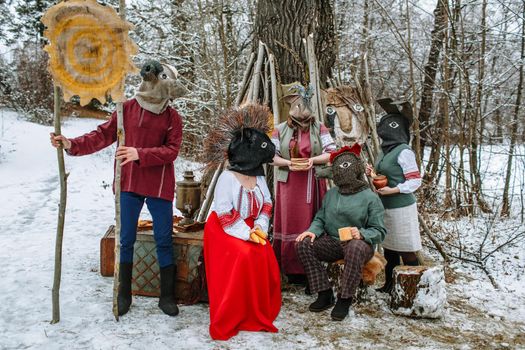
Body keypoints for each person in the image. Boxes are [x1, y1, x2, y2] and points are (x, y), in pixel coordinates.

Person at [50, 60, 183, 316]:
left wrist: (138, 153)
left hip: (159, 185)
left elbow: (171, 151)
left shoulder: (172, 117)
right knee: (125, 240)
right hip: (129, 183)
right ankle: (124, 295)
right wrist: (70, 144)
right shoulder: (126, 110)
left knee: (164, 239)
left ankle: (167, 296)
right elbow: (101, 135)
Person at [203, 104, 281, 341]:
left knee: (264, 251)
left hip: (250, 225)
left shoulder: (258, 177)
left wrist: (260, 227)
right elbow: (225, 212)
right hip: (223, 229)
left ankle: (256, 308)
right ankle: (234, 311)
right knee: (245, 255)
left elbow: (266, 204)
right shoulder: (227, 178)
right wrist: (246, 233)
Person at [296, 144, 386, 321]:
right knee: (303, 244)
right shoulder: (331, 194)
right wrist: (312, 231)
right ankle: (324, 292)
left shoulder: (370, 198)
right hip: (333, 242)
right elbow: (320, 218)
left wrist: (361, 233)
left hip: (360, 246)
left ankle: (344, 299)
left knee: (354, 247)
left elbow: (379, 231)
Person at [271, 84, 336, 286]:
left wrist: (313, 161)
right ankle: (290, 270)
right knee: (290, 221)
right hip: (289, 184)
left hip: (312, 182)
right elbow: (271, 157)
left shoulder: (320, 128)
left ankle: (310, 268)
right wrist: (289, 163)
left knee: (310, 220)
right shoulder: (280, 130)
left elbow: (331, 152)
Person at [367, 99, 422, 294]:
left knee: (406, 249)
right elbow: (383, 172)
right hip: (385, 206)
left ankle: (414, 289)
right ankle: (390, 285)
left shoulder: (404, 152)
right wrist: (371, 172)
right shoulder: (384, 151)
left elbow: (415, 180)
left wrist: (395, 189)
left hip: (402, 207)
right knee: (390, 248)